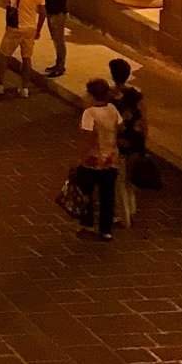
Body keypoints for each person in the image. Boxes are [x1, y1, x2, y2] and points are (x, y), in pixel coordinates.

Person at [75, 78, 121, 242]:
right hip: (111, 158)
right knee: (107, 195)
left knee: (86, 192)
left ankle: (87, 222)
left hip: (92, 160)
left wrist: (81, 157)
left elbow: (87, 136)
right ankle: (106, 229)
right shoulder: (113, 109)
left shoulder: (89, 113)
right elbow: (119, 127)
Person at [0, 0, 46, 97]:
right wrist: (38, 30)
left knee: (4, 55)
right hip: (30, 28)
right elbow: (43, 13)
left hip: (15, 27)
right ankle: (24, 88)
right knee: (27, 58)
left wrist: (12, 2)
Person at [109, 57, 148, 228]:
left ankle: (124, 216)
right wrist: (144, 141)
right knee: (130, 180)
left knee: (120, 180)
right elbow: (144, 120)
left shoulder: (110, 98)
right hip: (136, 140)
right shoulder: (136, 95)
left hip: (120, 141)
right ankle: (132, 209)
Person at [40, 0, 71, 77]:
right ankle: (58, 63)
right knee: (55, 39)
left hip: (59, 13)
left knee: (59, 41)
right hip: (50, 11)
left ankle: (60, 66)